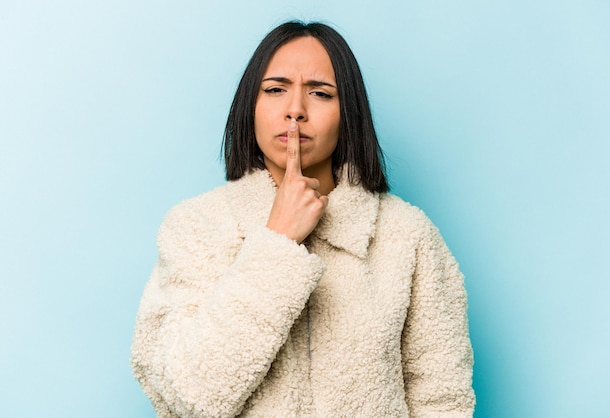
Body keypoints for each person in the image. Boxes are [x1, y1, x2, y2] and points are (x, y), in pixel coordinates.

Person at [131, 21, 475, 417]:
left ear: (349, 115)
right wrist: (277, 241)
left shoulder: (407, 235)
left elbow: (443, 398)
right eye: (275, 89)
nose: (295, 109)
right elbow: (186, 395)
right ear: (250, 107)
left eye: (320, 93)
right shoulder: (195, 227)